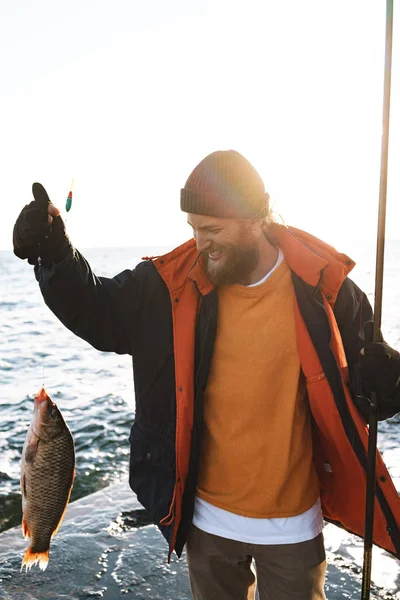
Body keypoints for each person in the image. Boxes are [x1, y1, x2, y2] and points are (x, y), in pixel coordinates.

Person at [13, 150, 400, 600]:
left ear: (256, 218)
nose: (200, 242)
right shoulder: (172, 283)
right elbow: (99, 311)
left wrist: (390, 382)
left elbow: (368, 390)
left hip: (293, 524)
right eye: (194, 229)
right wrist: (57, 256)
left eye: (212, 230)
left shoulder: (325, 286)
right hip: (205, 522)